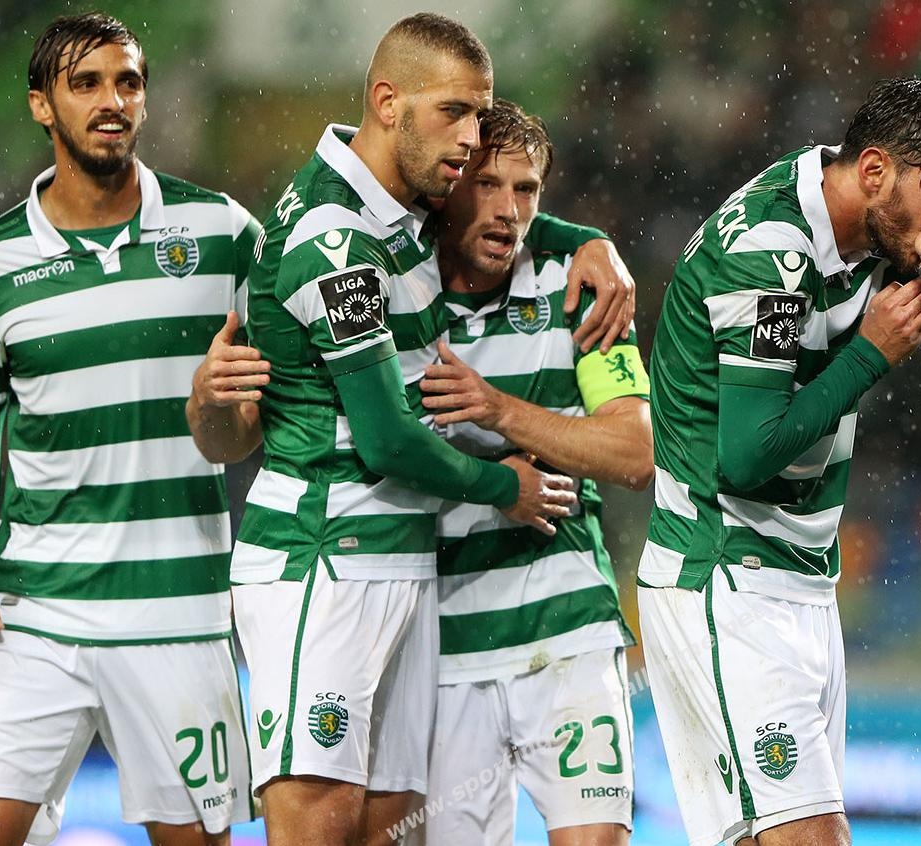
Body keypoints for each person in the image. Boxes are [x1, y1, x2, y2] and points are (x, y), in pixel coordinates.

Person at [195, 14, 634, 846]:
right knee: (318, 822)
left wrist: (590, 241)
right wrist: (505, 486)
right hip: (325, 560)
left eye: (480, 115)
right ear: (387, 102)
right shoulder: (337, 240)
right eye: (455, 112)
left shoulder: (400, 215)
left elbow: (499, 211)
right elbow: (387, 439)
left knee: (388, 830)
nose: (470, 137)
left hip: (403, 564)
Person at [636, 77, 921, 846]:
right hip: (724, 576)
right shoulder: (769, 253)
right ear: (875, 171)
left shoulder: (878, 227)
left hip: (801, 580)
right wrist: (869, 354)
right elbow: (746, 458)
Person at [0, 13, 257, 846]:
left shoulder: (224, 233)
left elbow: (269, 406)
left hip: (177, 605)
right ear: (41, 105)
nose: (112, 101)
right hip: (35, 606)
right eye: (85, 84)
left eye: (128, 82)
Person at [398, 100, 651, 846]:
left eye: (527, 189)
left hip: (567, 629)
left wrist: (498, 409)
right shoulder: (393, 295)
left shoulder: (579, 291)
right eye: (487, 185)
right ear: (447, 185)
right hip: (441, 645)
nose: (509, 211)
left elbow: (634, 453)